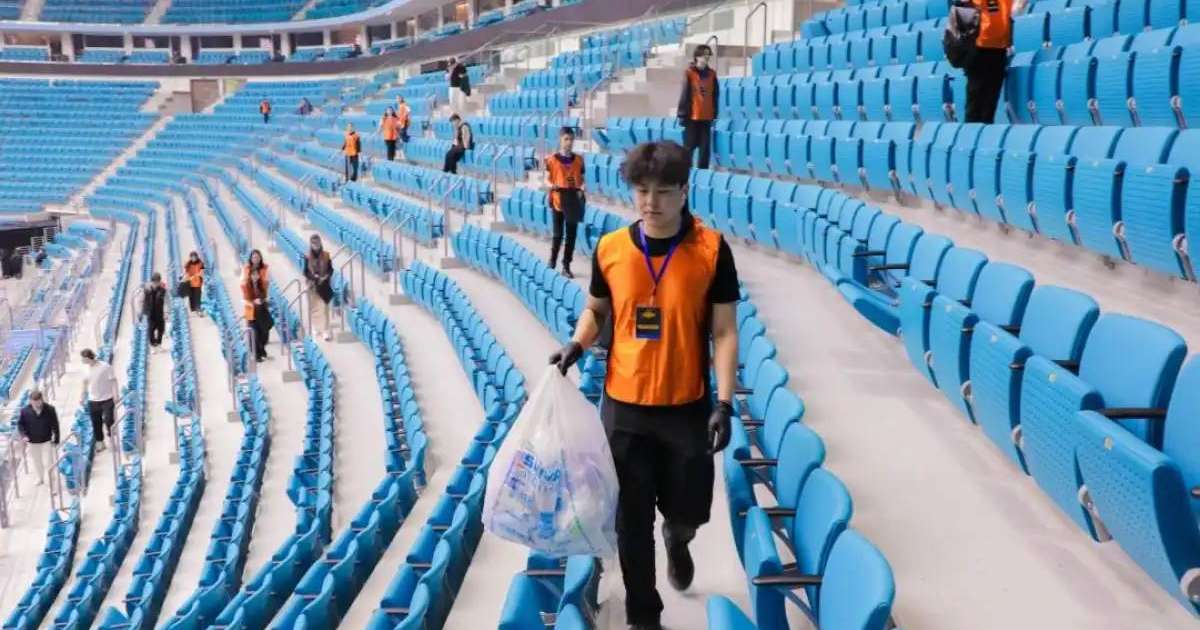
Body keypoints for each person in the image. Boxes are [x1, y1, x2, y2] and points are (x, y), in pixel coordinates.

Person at [549, 141, 739, 630]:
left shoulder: (712, 251)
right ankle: (644, 615)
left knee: (688, 509)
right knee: (630, 523)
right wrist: (575, 344)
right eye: (641, 190)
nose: (650, 201)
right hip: (625, 406)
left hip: (685, 406)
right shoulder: (611, 249)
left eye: (663, 191)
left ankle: (679, 538)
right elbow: (596, 310)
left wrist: (724, 402)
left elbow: (723, 331)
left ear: (684, 191)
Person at [965, 0, 1023, 122]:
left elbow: (1016, 8)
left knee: (990, 100)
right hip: (978, 46)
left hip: (999, 48)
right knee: (976, 98)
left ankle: (984, 133)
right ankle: (971, 135)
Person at [544, 127, 586, 279]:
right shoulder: (552, 160)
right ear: (560, 140)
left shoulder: (579, 160)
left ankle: (566, 265)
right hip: (558, 198)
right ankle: (552, 259)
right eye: (566, 139)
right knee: (558, 234)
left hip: (573, 199)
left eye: (571, 139)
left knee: (571, 235)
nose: (569, 142)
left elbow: (582, 180)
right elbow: (546, 179)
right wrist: (551, 186)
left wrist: (582, 189)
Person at [676, 44, 719, 170]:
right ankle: (685, 173)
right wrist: (682, 114)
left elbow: (715, 95)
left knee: (705, 148)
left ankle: (702, 174)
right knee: (689, 147)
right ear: (697, 57)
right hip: (692, 116)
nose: (706, 57)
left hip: (707, 116)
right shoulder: (689, 73)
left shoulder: (712, 74)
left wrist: (715, 113)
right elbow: (685, 94)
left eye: (708, 55)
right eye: (704, 55)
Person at [17, 390, 59, 486]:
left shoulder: (50, 409)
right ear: (30, 401)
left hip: (46, 440)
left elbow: (55, 425)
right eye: (34, 402)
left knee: (49, 461)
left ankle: (51, 480)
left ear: (41, 400)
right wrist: (24, 436)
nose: (36, 404)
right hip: (32, 442)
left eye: (38, 401)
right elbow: (20, 425)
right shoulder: (24, 411)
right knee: (37, 461)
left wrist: (56, 439)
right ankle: (40, 478)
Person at [81, 348, 119, 453]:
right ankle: (100, 442)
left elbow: (113, 380)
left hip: (107, 398)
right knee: (96, 422)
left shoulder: (105, 366)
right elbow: (84, 383)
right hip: (93, 399)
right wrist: (82, 396)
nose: (83, 362)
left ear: (90, 358)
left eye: (84, 359)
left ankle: (112, 439)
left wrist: (116, 394)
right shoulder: (85, 369)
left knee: (109, 420)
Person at [242, 250, 272, 362]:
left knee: (264, 331)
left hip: (262, 311)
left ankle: (261, 350)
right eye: (253, 275)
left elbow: (265, 295)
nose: (255, 277)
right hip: (251, 311)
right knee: (254, 333)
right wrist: (254, 302)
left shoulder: (262, 284)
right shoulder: (246, 285)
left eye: (257, 275)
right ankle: (256, 354)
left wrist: (263, 300)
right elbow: (246, 298)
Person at [304, 235, 334, 341]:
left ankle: (326, 330)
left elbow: (331, 270)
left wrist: (325, 276)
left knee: (324, 308)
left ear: (320, 243)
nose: (315, 245)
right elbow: (305, 272)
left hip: (324, 285)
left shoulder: (326, 255)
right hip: (312, 285)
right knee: (314, 308)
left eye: (317, 242)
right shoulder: (307, 257)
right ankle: (316, 327)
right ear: (311, 244)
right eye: (313, 243)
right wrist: (314, 277)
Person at [143, 272, 167, 351]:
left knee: (161, 329)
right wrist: (144, 312)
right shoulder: (147, 291)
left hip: (160, 312)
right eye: (155, 282)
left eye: (158, 282)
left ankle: (159, 344)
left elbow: (166, 301)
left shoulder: (163, 290)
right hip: (151, 313)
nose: (156, 283)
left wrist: (166, 312)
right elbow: (143, 301)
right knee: (151, 329)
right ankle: (153, 346)